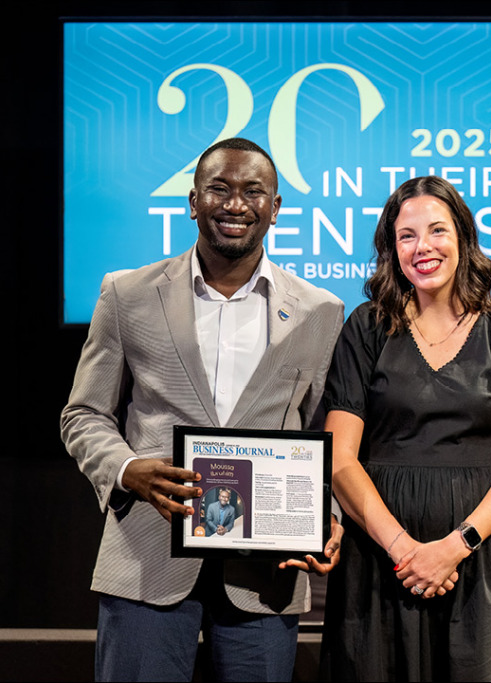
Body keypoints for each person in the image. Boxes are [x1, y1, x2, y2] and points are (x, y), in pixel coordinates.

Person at [60, 137, 345, 682]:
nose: (235, 204)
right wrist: (126, 469)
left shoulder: (320, 311)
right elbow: (84, 414)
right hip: (147, 555)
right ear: (193, 202)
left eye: (253, 191)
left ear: (275, 208)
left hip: (265, 571)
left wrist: (326, 517)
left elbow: (325, 438)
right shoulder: (127, 293)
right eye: (219, 188)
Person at [321, 176, 491, 681]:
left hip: (481, 561)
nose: (422, 246)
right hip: (382, 564)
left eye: (437, 230)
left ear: (463, 237)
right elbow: (338, 460)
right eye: (406, 236)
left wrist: (453, 547)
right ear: (391, 250)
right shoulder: (365, 327)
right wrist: (405, 551)